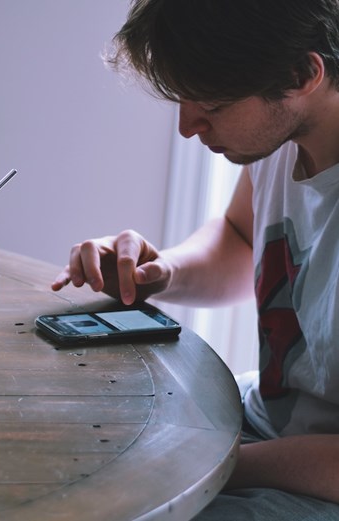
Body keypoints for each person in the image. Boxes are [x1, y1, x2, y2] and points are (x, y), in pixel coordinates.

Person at [51, 0, 339, 519]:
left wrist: (205, 463)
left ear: (302, 74)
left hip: (315, 483)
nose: (188, 126)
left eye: (213, 103)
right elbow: (241, 238)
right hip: (260, 425)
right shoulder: (285, 135)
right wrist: (162, 273)